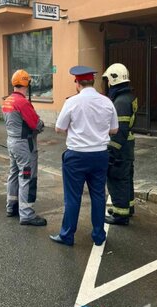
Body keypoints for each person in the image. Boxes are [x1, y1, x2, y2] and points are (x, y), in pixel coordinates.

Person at [50, 66, 118, 247]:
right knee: (98, 195)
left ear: (77, 83)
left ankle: (67, 235)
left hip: (77, 156)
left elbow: (59, 128)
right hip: (100, 155)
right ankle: (98, 235)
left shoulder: (72, 102)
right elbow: (114, 129)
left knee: (73, 197)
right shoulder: (107, 102)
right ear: (93, 82)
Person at [2, 69, 47, 227]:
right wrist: (41, 125)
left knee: (14, 174)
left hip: (12, 142)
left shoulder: (8, 100)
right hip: (24, 144)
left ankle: (11, 206)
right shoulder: (22, 102)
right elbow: (36, 124)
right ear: (26, 83)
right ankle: (27, 214)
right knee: (27, 177)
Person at [102, 63, 138, 225]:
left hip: (120, 148)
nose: (107, 84)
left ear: (113, 80)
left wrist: (111, 154)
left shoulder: (121, 102)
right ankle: (127, 208)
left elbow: (119, 131)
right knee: (126, 178)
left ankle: (120, 215)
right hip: (127, 146)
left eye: (108, 80)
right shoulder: (128, 97)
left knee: (117, 179)